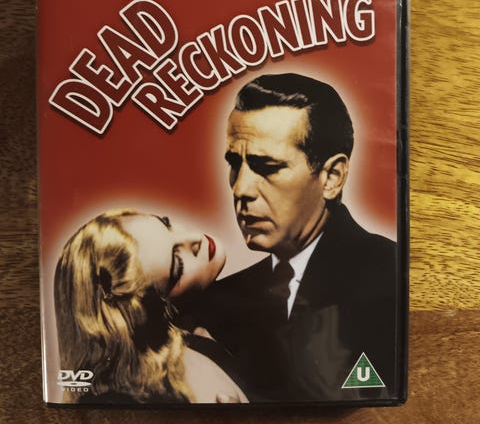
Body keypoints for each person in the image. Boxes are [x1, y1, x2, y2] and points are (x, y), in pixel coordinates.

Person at [197, 73, 397, 402]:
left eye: (267, 166)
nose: (241, 189)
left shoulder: (392, 278)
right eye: (235, 164)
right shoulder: (214, 304)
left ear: (332, 177)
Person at [54, 209, 247, 404]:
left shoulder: (212, 324)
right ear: (153, 314)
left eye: (166, 224)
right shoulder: (177, 384)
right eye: (179, 265)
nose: (196, 237)